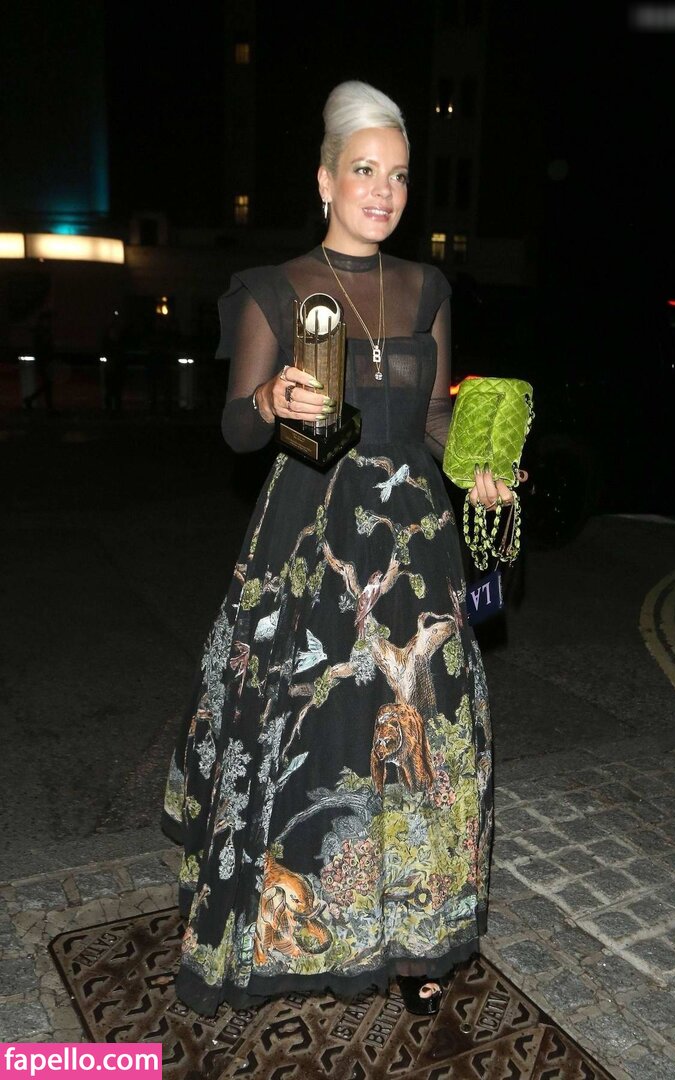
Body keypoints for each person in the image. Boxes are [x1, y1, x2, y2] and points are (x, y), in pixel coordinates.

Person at [162, 80, 512, 1018]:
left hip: (415, 541)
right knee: (311, 735)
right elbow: (238, 427)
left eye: (398, 175)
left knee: (428, 727)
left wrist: (480, 469)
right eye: (364, 170)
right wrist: (270, 399)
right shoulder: (275, 289)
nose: (383, 191)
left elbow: (434, 420)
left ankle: (422, 932)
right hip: (311, 535)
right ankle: (291, 922)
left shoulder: (427, 287)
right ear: (325, 180)